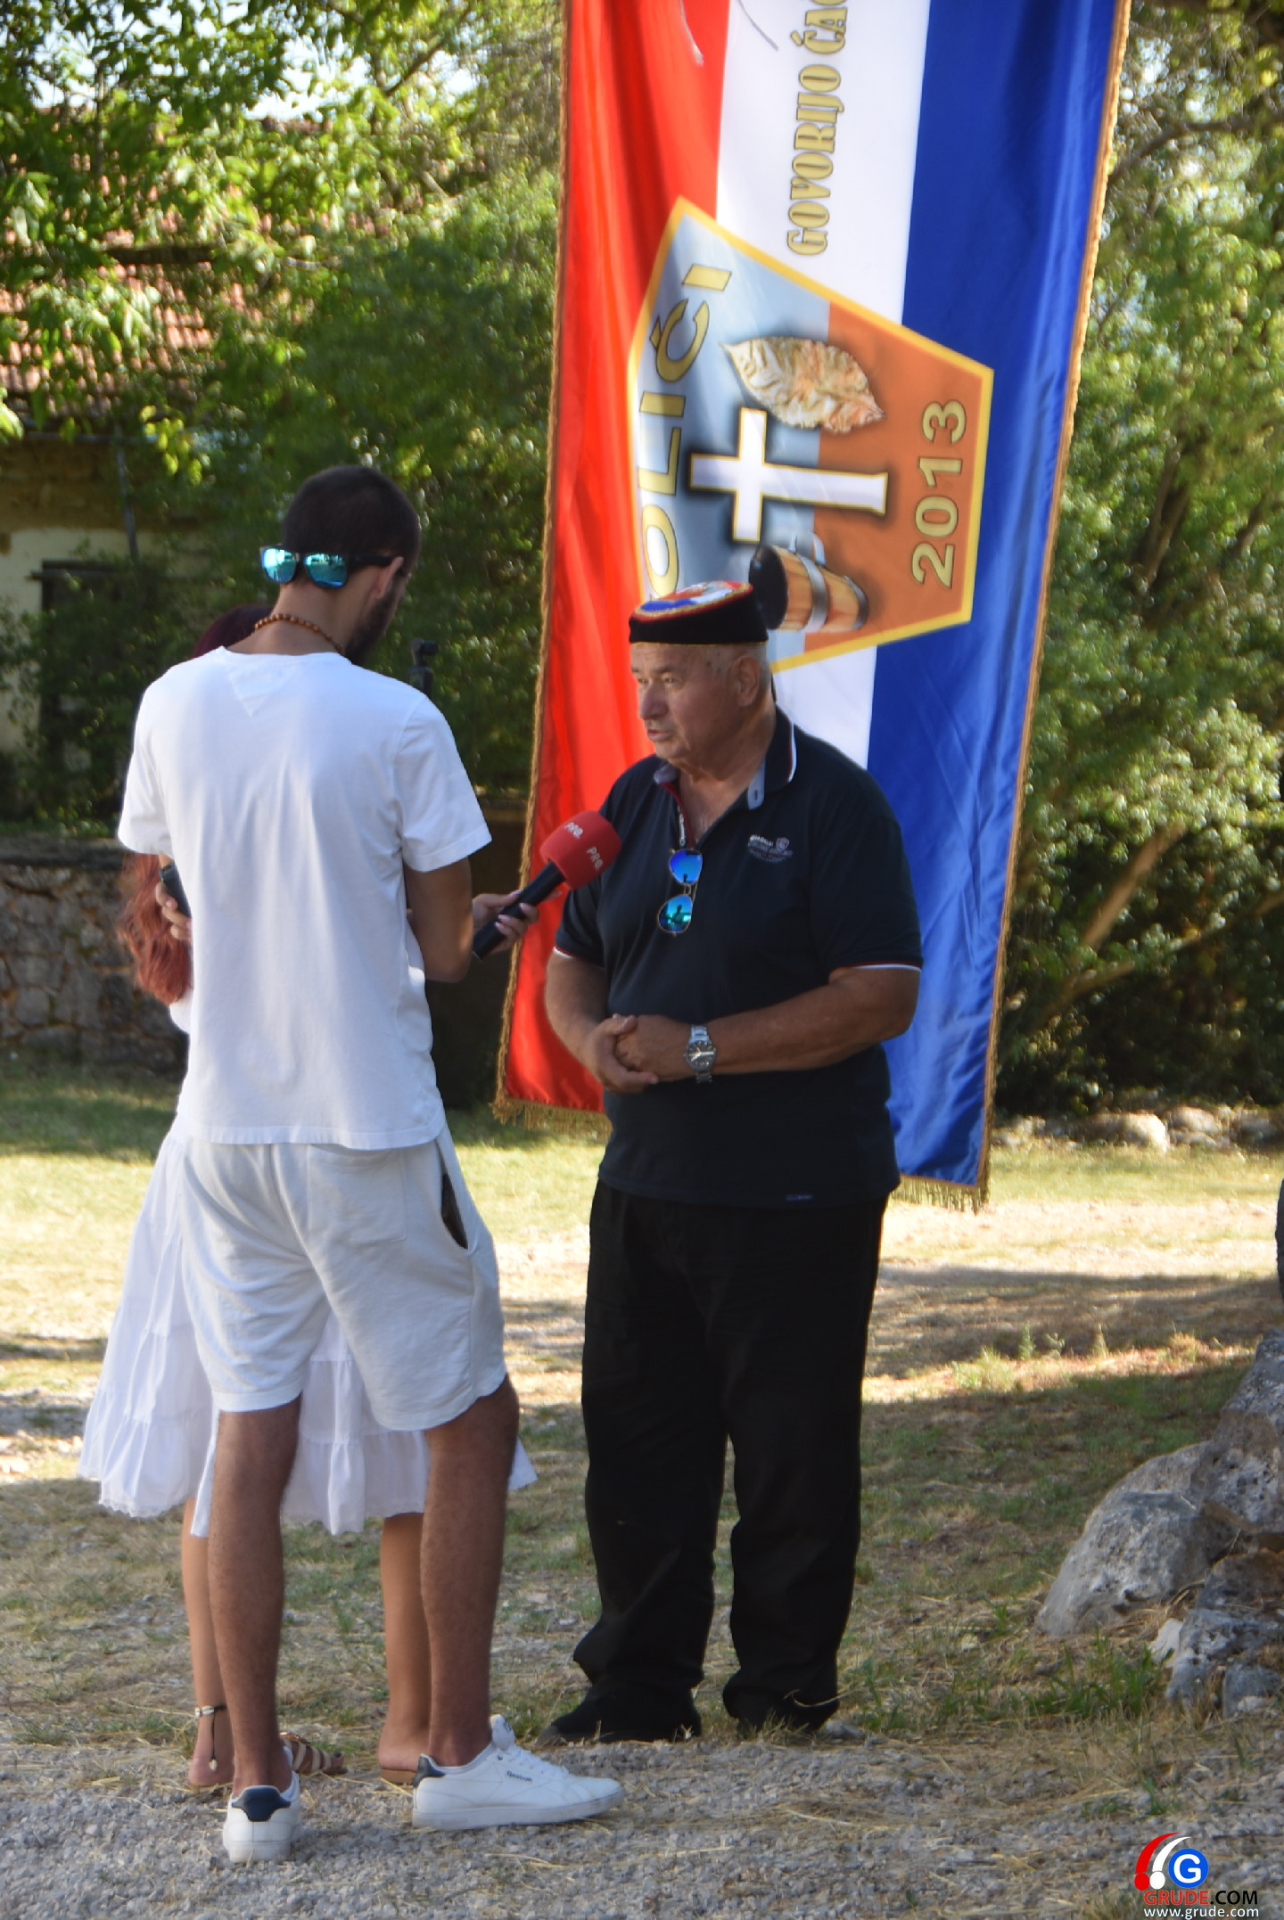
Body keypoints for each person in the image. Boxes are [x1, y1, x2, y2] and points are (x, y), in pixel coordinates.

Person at [116, 467, 621, 1861]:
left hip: (224, 1130)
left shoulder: (173, 700)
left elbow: (175, 884)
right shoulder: (399, 720)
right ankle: (454, 1752)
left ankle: (258, 1787)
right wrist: (484, 920)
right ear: (384, 571)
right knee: (472, 1420)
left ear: (288, 560)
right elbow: (448, 949)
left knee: (248, 1431)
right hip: (365, 1128)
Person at [84, 685, 535, 1785]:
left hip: (223, 1147)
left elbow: (296, 944)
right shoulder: (376, 730)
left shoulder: (189, 797)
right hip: (342, 1138)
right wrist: (446, 927)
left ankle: (242, 1756)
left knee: (240, 1437)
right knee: (433, 1430)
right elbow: (408, 957)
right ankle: (428, 1733)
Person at [541, 580, 922, 1744]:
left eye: (673, 680)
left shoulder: (836, 806)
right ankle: (638, 1686)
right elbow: (573, 958)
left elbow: (881, 995)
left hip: (795, 1189)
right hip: (646, 1184)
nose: (649, 705)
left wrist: (701, 1046)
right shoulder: (633, 801)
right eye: (639, 681)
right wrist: (587, 1041)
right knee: (637, 1443)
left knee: (790, 1448)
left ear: (748, 677)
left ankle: (784, 1692)